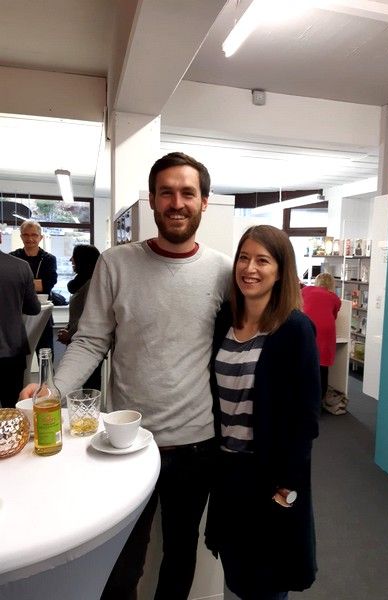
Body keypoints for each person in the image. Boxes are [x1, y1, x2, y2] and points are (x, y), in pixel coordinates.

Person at [21, 152, 232, 600]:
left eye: (188, 193)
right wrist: (51, 390)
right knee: (122, 563)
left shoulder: (223, 271)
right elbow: (90, 341)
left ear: (204, 201)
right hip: (126, 441)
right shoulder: (116, 264)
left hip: (196, 443)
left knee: (180, 553)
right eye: (166, 192)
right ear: (152, 200)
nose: (177, 202)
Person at [206, 225, 321, 600]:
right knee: (237, 577)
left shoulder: (294, 329)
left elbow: (306, 419)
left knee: (268, 583)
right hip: (228, 474)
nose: (250, 268)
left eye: (262, 260)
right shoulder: (225, 321)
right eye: (243, 258)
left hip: (269, 477)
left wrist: (286, 489)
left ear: (281, 270)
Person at [0, 229, 41, 408]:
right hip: (11, 348)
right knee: (12, 408)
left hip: (11, 348)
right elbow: (34, 308)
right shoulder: (20, 266)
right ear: (0, 237)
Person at [57, 244, 102, 390]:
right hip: (77, 336)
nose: (71, 260)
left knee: (91, 384)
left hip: (88, 340)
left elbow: (88, 314)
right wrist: (68, 329)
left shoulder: (92, 283)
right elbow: (78, 313)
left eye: (74, 256)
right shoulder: (82, 281)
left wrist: (69, 333)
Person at [10, 220, 58, 356]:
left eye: (34, 235)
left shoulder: (48, 259)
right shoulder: (13, 257)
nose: (30, 238)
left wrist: (22, 284)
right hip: (18, 313)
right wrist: (36, 284)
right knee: (18, 356)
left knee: (45, 353)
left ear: (40, 237)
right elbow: (10, 285)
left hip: (42, 313)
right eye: (26, 235)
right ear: (21, 236)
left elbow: (48, 284)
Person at [302, 272, 341, 402]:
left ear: (317, 282)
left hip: (308, 329)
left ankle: (304, 399)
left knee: (305, 364)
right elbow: (334, 316)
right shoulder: (335, 298)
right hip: (326, 333)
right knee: (322, 368)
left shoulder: (306, 290)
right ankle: (320, 401)